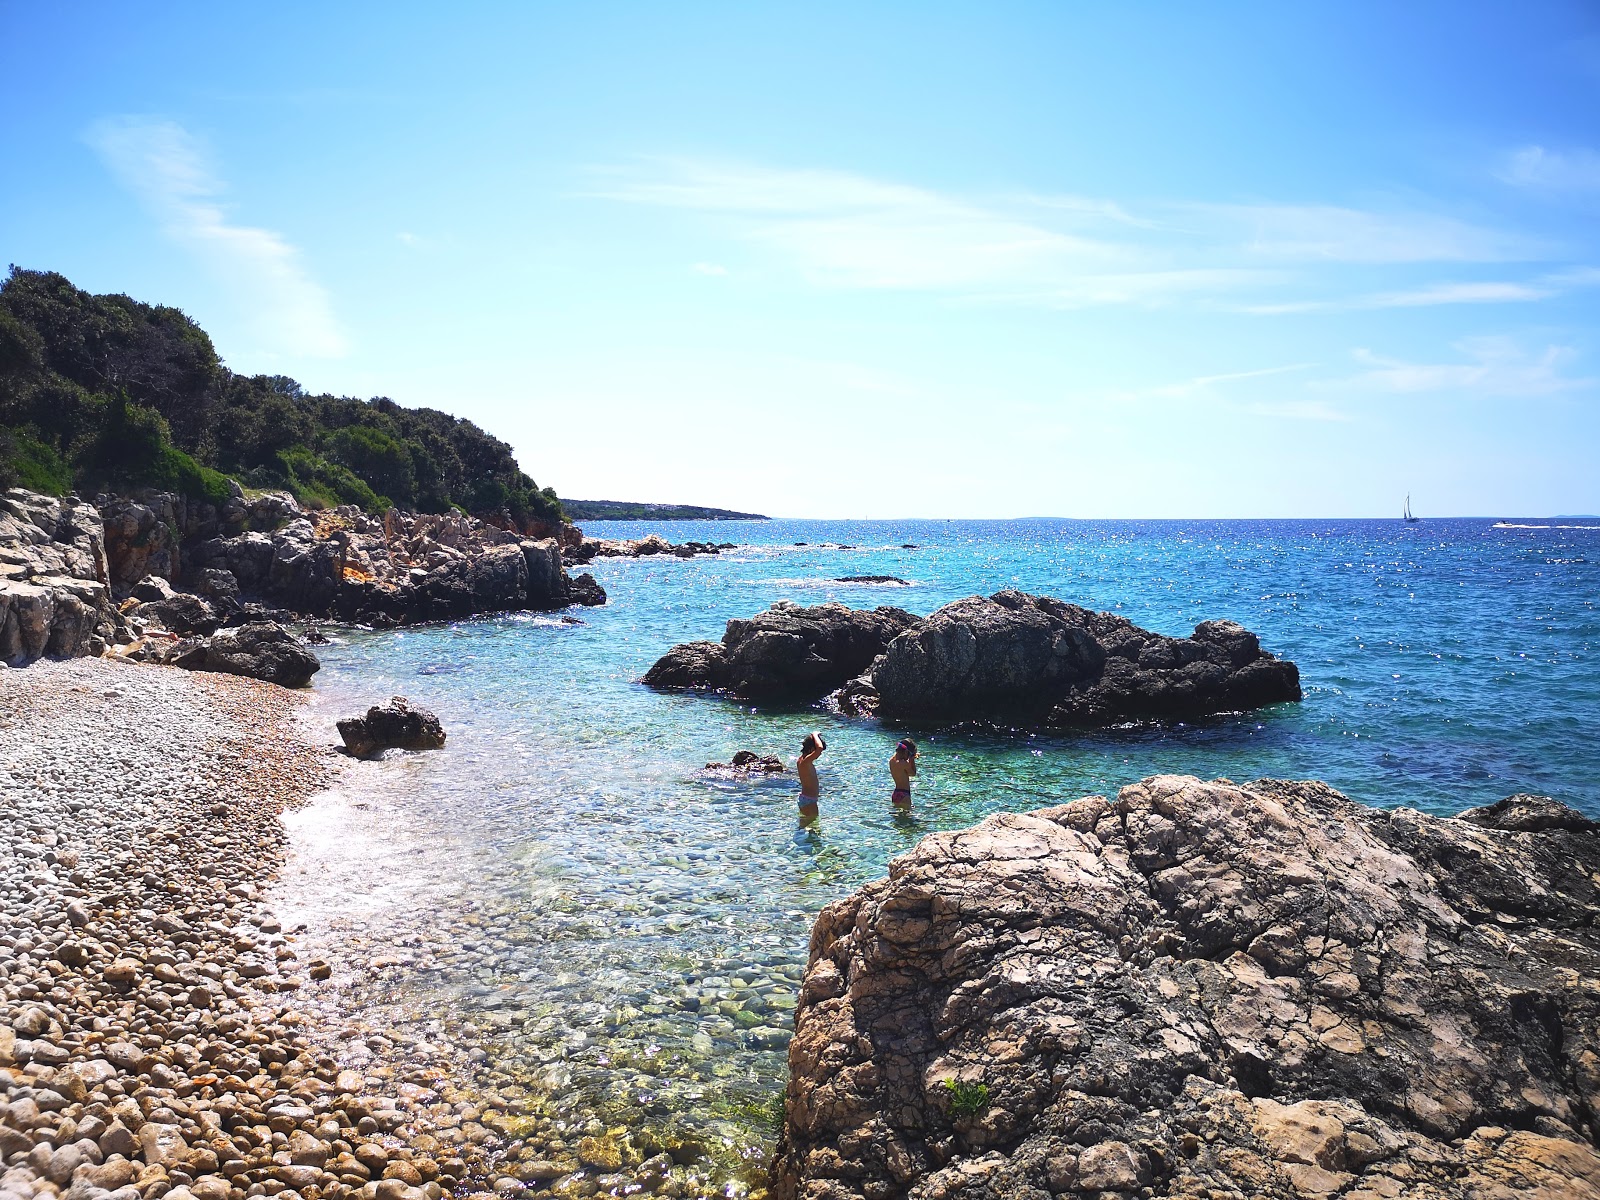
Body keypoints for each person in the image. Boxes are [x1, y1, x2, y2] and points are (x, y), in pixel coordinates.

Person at [796, 731, 826, 820]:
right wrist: (815, 735)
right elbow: (819, 748)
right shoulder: (806, 762)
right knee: (813, 828)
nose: (818, 756)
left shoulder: (801, 760)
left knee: (805, 826)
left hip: (806, 799)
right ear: (812, 749)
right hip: (809, 801)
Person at [889, 738, 918, 809]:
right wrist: (912, 760)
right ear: (906, 752)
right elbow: (913, 773)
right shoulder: (904, 764)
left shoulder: (892, 761)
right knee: (907, 817)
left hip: (895, 794)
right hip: (904, 795)